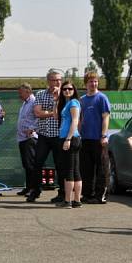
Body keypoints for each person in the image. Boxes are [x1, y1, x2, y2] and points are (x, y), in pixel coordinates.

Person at [27, 69, 65, 203]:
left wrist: (52, 105)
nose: (58, 82)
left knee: (60, 165)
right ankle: (35, 190)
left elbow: (62, 113)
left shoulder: (65, 94)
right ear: (49, 81)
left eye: (60, 80)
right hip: (43, 134)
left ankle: (62, 193)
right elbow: (37, 113)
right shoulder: (41, 94)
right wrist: (51, 113)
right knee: (37, 163)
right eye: (55, 80)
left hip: (59, 135)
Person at [79, 71, 111, 204]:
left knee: (102, 169)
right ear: (86, 83)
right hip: (85, 139)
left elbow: (105, 118)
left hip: (98, 139)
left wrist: (103, 135)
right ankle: (87, 194)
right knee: (86, 169)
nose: (93, 84)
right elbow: (79, 120)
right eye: (91, 81)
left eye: (95, 81)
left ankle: (100, 195)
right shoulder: (81, 100)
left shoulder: (102, 98)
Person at [55, 80, 82, 208]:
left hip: (70, 138)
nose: (67, 91)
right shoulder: (66, 103)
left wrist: (68, 139)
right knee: (75, 171)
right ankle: (76, 201)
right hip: (68, 138)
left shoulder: (74, 102)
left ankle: (68, 201)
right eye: (65, 89)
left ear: (74, 90)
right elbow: (56, 117)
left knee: (69, 171)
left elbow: (75, 121)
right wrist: (56, 100)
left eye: (70, 89)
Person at [15, 83, 39, 196]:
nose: (19, 94)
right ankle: (28, 187)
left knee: (31, 164)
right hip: (22, 138)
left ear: (28, 91)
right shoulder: (25, 103)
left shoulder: (34, 101)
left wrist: (32, 129)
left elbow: (38, 117)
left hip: (30, 138)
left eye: (21, 92)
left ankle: (33, 188)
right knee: (26, 164)